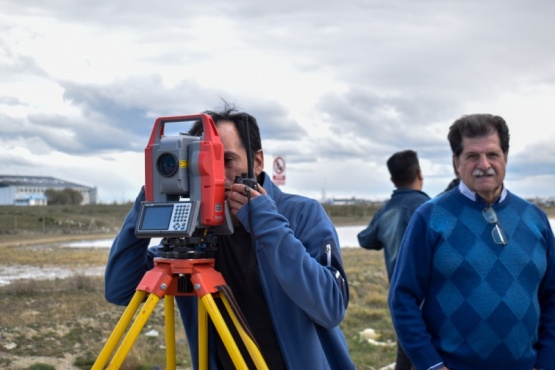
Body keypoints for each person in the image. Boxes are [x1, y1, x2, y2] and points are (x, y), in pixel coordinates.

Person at [104, 103, 356, 370]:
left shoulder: (301, 214)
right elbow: (119, 289)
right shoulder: (191, 237)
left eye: (225, 160)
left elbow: (331, 307)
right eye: (200, 163)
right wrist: (149, 202)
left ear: (257, 161)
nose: (213, 175)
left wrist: (267, 223)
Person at [388, 113, 555, 370]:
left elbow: (552, 296)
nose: (484, 164)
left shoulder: (536, 219)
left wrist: (546, 362)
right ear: (456, 162)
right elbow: (402, 298)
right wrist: (431, 365)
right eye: (472, 156)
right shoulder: (430, 218)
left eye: (493, 154)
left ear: (506, 157)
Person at [358, 149, 430, 370]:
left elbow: (365, 239)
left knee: (405, 355)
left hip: (400, 298)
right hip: (433, 298)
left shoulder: (386, 211)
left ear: (392, 180)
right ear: (420, 173)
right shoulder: (431, 208)